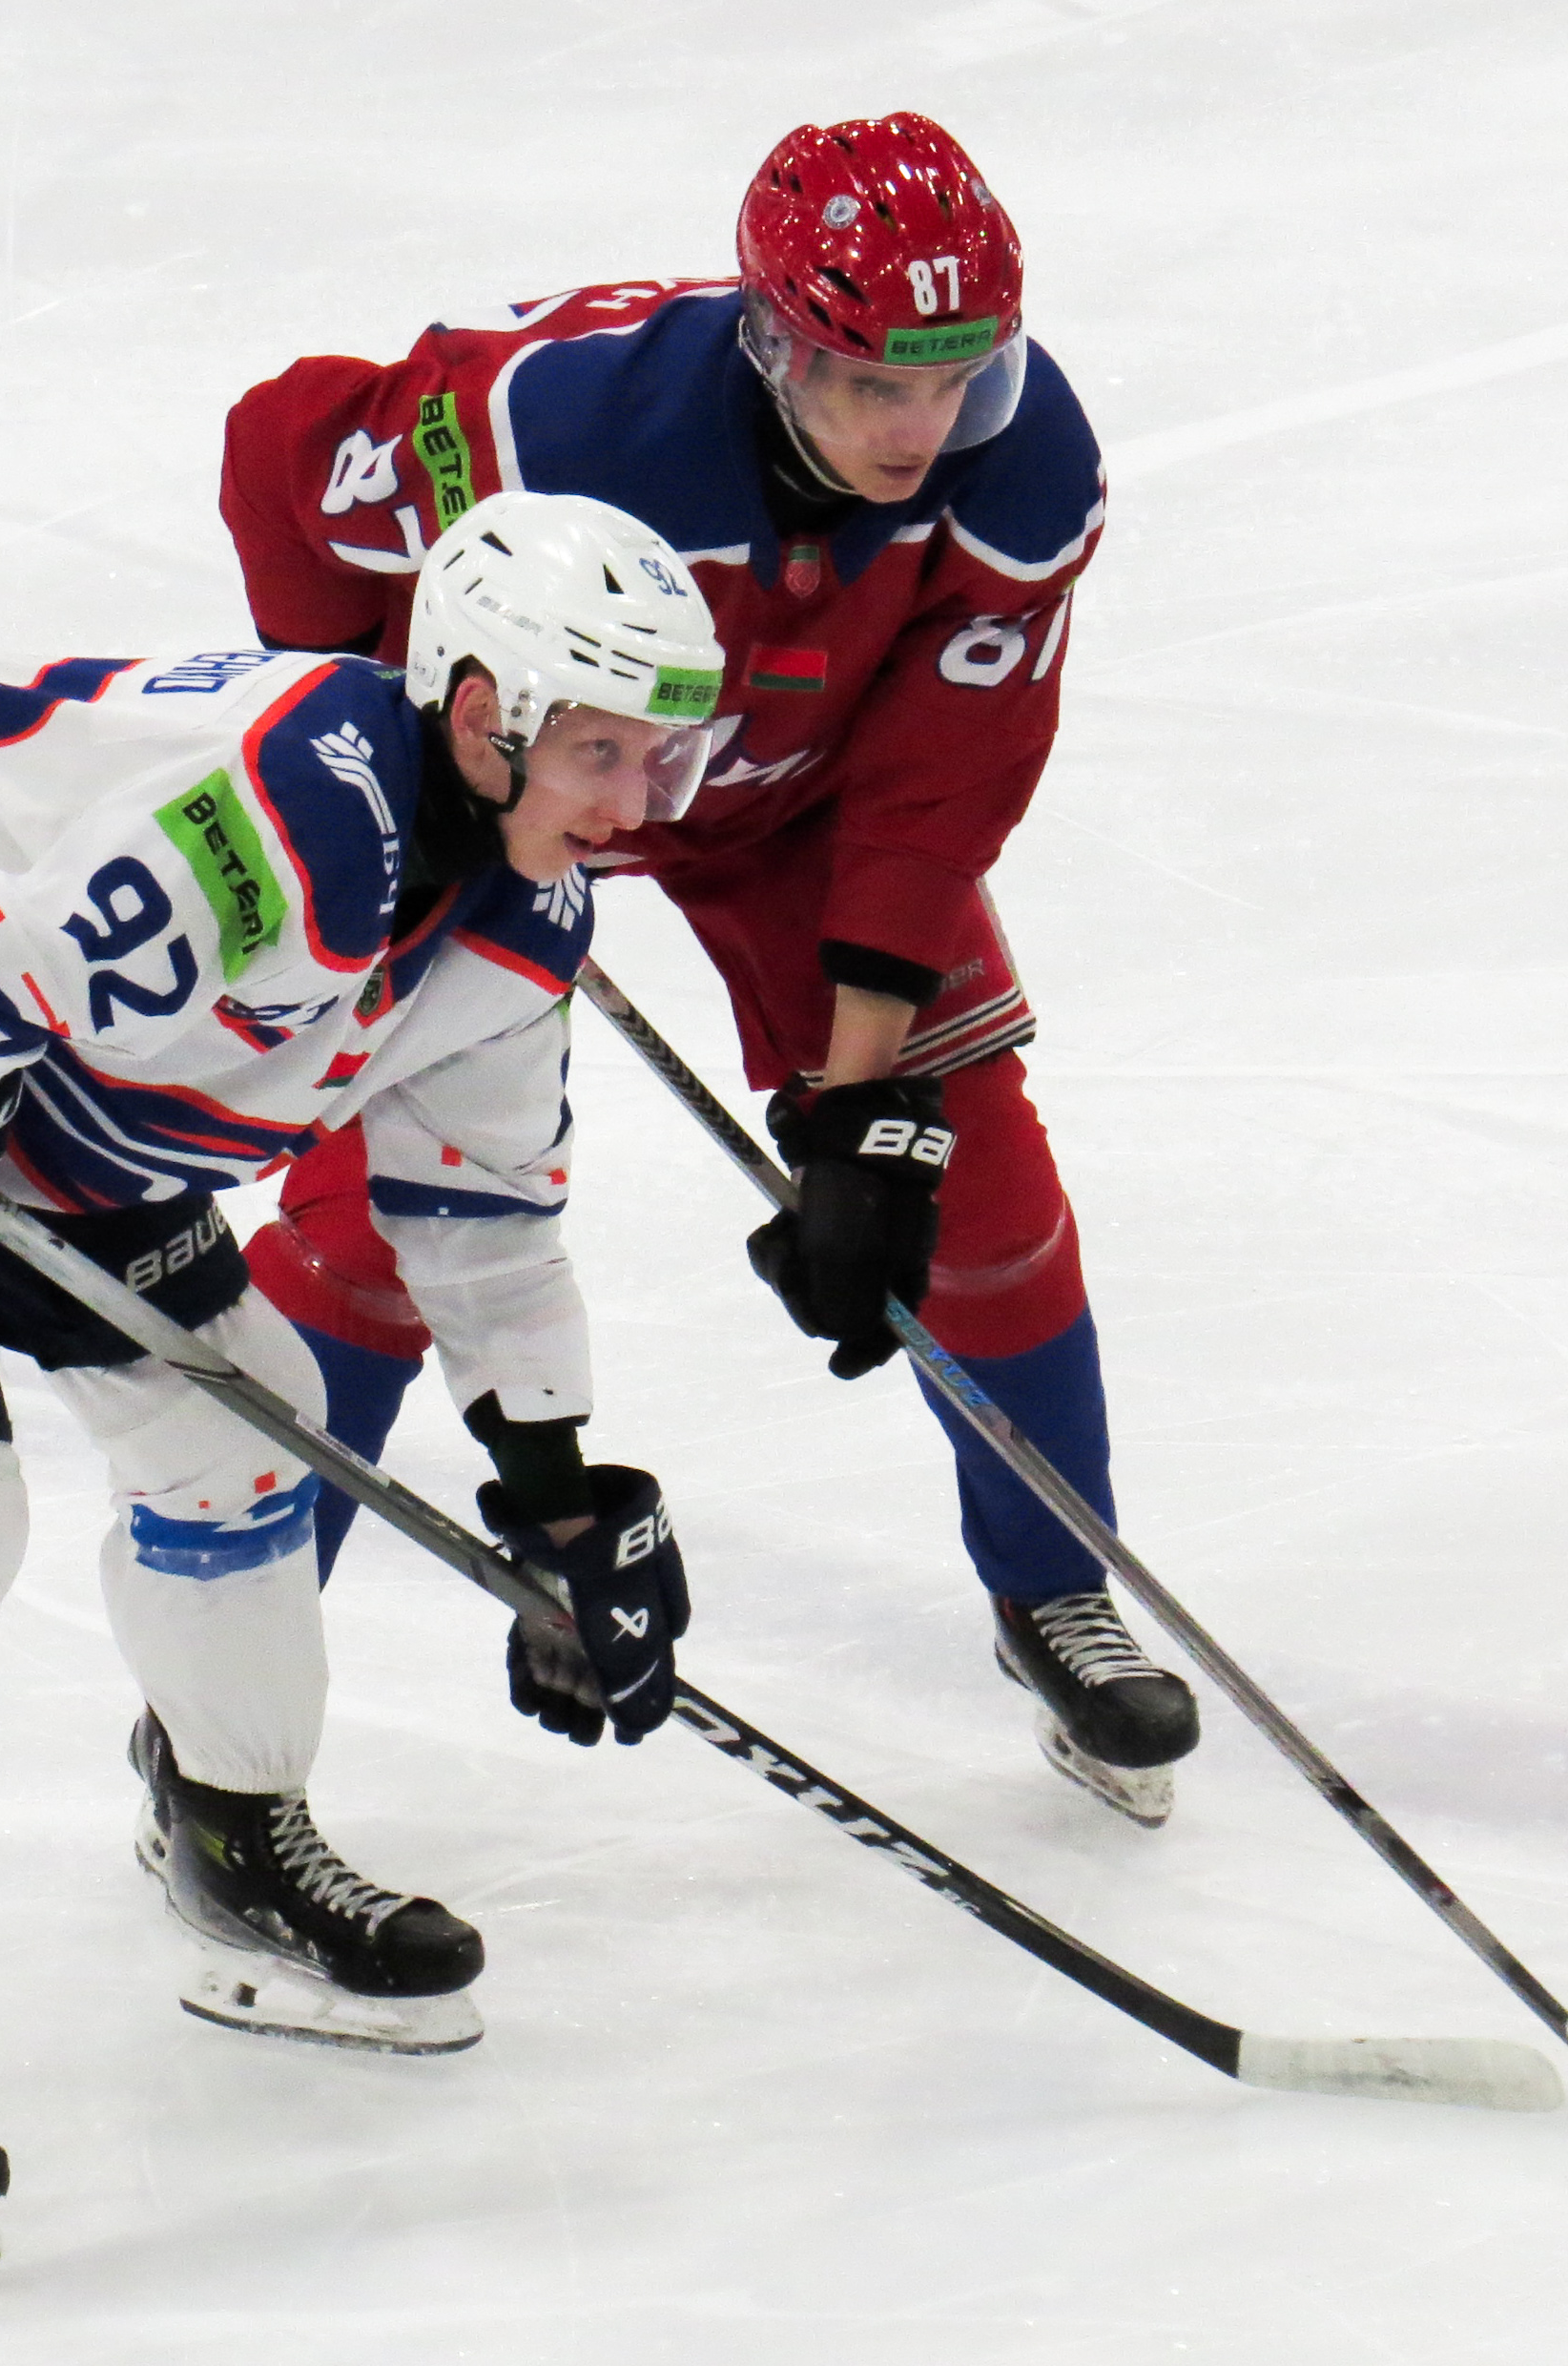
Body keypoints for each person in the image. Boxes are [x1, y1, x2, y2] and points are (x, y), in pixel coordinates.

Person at [0, 489, 720, 2281]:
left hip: (18, 1057)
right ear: (477, 712)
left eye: (664, 756)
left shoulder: (517, 922)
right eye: (600, 751)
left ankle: (232, 1847)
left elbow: (484, 1220)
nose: (635, 803)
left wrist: (564, 1494)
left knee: (239, 1428)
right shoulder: (276, 832)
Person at [217, 113, 1201, 1829]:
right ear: (771, 341)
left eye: (955, 381)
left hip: (797, 796)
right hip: (529, 779)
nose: (918, 432)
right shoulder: (549, 423)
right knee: (373, 1221)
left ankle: (1054, 1584)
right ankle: (216, 1712)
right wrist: (389, 763)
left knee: (965, 1170)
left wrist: (857, 1096)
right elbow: (276, 454)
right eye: (871, 384)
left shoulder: (1025, 460)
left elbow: (945, 769)